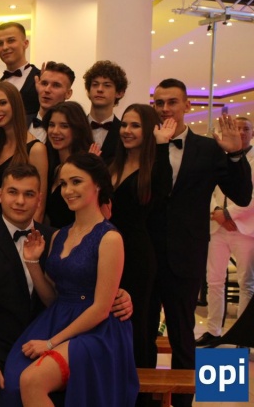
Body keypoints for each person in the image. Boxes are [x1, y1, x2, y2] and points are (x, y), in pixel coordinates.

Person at [0, 163, 133, 406]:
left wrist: (120, 294)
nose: (20, 201)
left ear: (39, 200)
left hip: (64, 335)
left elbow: (95, 286)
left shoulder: (52, 235)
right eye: (13, 192)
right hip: (2, 345)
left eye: (29, 194)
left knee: (33, 381)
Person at [148, 79, 252, 407]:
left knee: (183, 333)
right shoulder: (144, 144)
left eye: (172, 102)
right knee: (141, 334)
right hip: (145, 253)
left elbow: (242, 195)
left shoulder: (208, 149)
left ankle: (184, 403)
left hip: (187, 253)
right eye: (160, 103)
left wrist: (235, 155)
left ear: (187, 105)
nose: (166, 109)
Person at [107, 104, 175, 373]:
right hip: (106, 251)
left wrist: (161, 145)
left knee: (137, 322)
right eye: (124, 124)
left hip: (135, 255)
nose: (126, 130)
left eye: (135, 125)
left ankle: (140, 389)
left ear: (148, 131)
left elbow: (164, 188)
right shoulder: (112, 163)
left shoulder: (153, 168)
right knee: (108, 319)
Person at [196, 116, 254, 347]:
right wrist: (217, 211)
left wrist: (230, 214)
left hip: (245, 228)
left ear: (252, 133)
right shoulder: (219, 155)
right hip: (217, 225)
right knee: (214, 280)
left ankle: (243, 337)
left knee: (246, 283)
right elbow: (206, 187)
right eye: (237, 128)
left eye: (245, 128)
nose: (240, 132)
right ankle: (213, 331)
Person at [0, 82, 48, 225]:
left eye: (2, 103)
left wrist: (27, 237)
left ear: (15, 104)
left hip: (18, 231)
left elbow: (38, 208)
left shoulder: (36, 149)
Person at [43, 101, 93, 228]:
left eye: (64, 126)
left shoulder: (86, 167)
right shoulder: (51, 165)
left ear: (77, 129)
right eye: (51, 125)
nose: (55, 131)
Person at [83, 60, 128, 162]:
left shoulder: (124, 132)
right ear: (88, 91)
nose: (99, 89)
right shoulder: (75, 127)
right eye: (95, 84)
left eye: (107, 85)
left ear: (120, 93)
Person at [0, 22, 40, 117]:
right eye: (0, 43)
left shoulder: (41, 79)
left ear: (25, 43)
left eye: (11, 41)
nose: (5, 47)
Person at [29, 61, 75, 143]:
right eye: (44, 83)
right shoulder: (20, 122)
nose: (47, 90)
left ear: (68, 93)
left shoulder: (73, 130)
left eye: (56, 85)